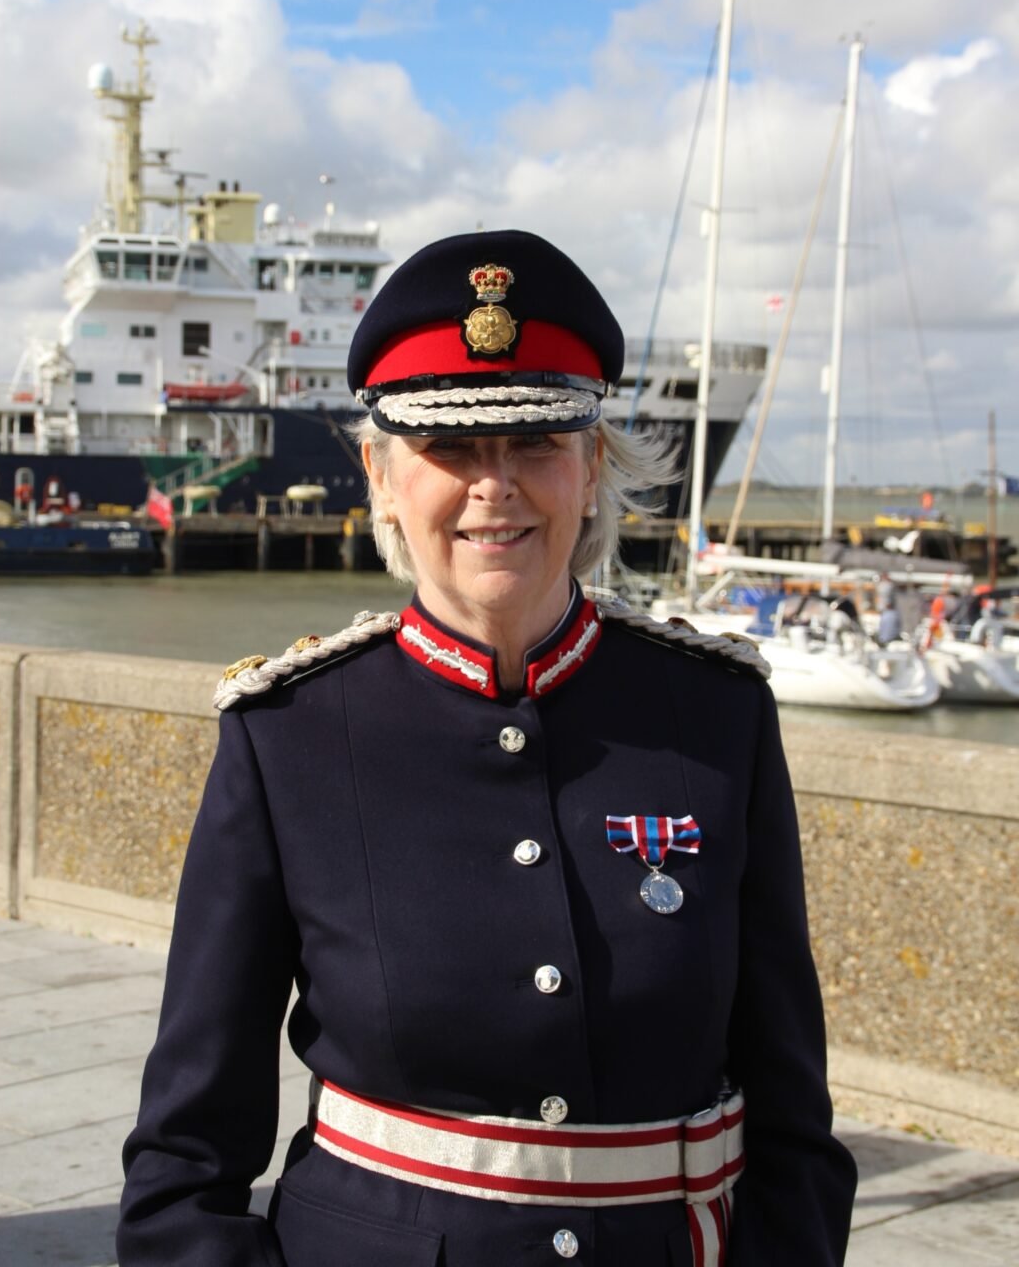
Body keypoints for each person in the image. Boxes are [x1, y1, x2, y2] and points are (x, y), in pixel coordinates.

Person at [118, 229, 856, 1266]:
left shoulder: (715, 715)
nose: (493, 486)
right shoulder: (287, 738)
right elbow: (186, 1157)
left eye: (535, 444)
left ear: (592, 465)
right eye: (451, 449)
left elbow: (791, 1115)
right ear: (379, 474)